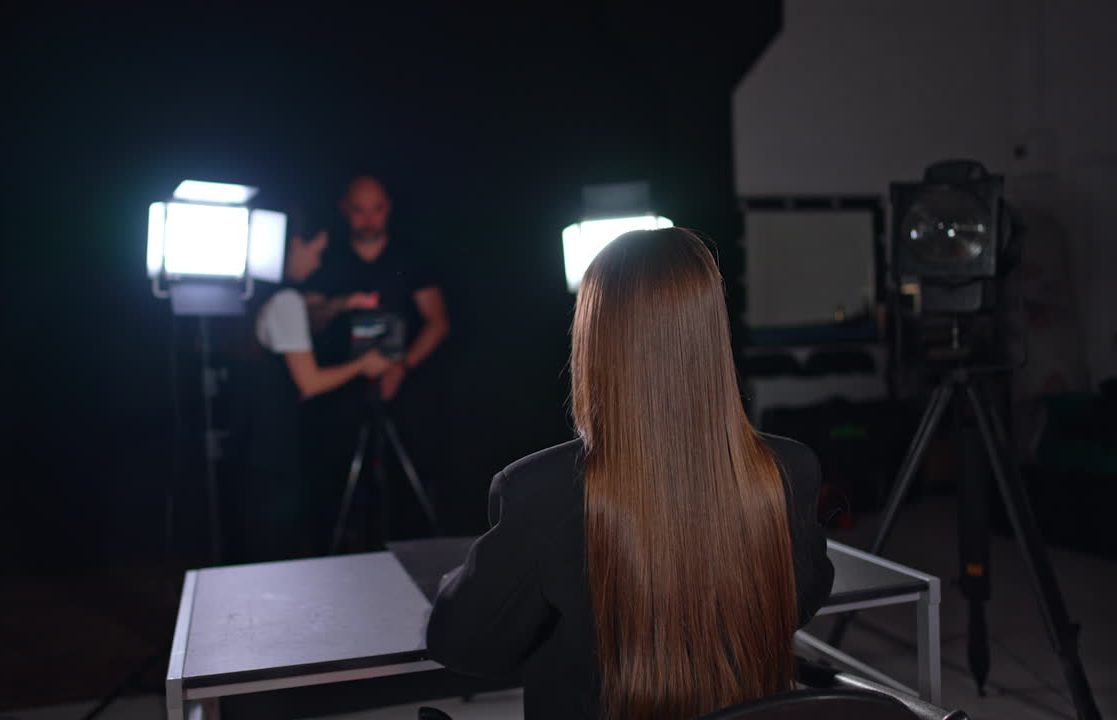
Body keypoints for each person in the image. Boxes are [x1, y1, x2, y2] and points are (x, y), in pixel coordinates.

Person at [425, 228, 835, 719]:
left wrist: (461, 579)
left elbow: (464, 646)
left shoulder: (540, 490)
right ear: (712, 331)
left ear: (595, 338)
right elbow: (797, 603)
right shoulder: (789, 469)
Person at [219, 210, 392, 564]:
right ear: (295, 245)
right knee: (270, 534)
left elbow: (311, 308)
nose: (316, 264)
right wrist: (364, 364)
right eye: (316, 252)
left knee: (252, 528)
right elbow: (309, 381)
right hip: (272, 441)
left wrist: (347, 303)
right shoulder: (286, 303)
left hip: (249, 435)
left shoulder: (258, 293)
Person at [302, 175, 450, 547]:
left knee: (411, 474)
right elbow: (304, 319)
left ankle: (417, 552)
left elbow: (438, 321)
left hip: (400, 388)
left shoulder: (410, 257)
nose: (368, 219)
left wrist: (402, 366)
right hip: (338, 390)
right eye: (358, 210)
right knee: (334, 481)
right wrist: (340, 305)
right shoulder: (326, 259)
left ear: (389, 209)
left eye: (377, 209)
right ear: (344, 210)